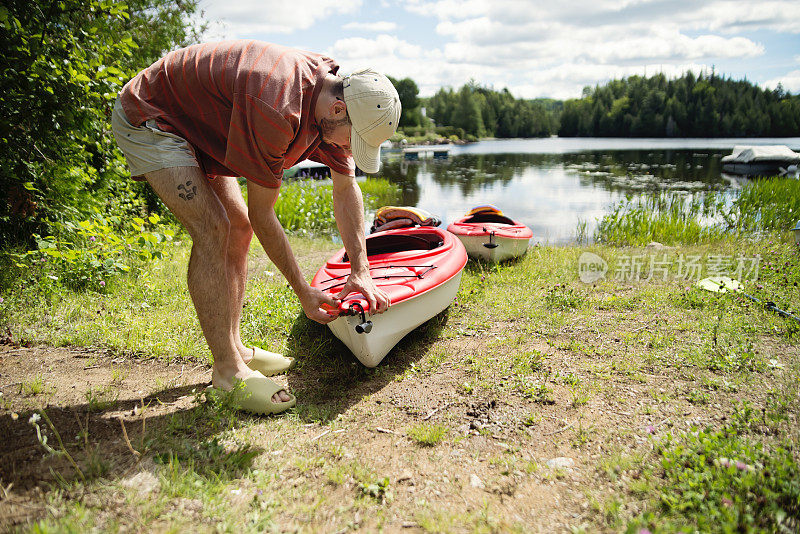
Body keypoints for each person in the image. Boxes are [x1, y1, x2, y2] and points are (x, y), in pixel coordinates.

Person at [111, 40, 401, 414]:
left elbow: (346, 189)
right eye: (352, 138)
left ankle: (235, 348)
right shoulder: (277, 107)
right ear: (338, 108)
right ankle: (227, 371)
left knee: (238, 228)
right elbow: (265, 215)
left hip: (203, 125)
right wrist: (304, 292)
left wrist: (361, 271)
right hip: (155, 117)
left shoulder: (334, 102)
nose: (348, 147)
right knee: (215, 229)